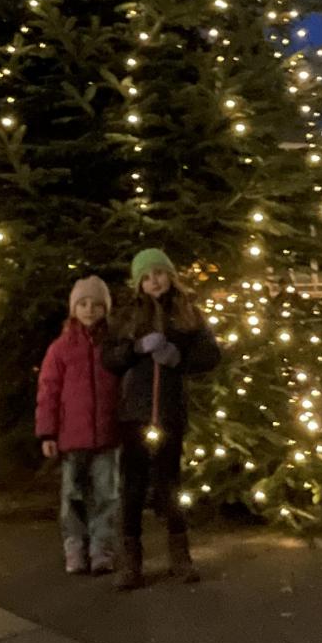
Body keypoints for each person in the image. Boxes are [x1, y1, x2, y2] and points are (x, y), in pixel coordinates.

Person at [102, 248, 221, 591]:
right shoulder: (127, 315)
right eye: (148, 276)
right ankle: (132, 561)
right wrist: (135, 349)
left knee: (170, 483)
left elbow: (210, 354)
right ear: (139, 281)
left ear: (170, 276)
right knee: (133, 486)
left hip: (169, 411)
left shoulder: (186, 313)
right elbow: (109, 358)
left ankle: (179, 556)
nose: (155, 281)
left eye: (160, 273)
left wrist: (178, 358)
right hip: (134, 414)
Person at [35, 276, 121, 576]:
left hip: (108, 435)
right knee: (72, 496)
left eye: (96, 305)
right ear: (73, 308)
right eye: (83, 304)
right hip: (72, 437)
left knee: (106, 495)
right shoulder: (60, 349)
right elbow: (48, 391)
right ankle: (74, 546)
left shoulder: (113, 344)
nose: (89, 310)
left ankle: (101, 548)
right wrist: (47, 432)